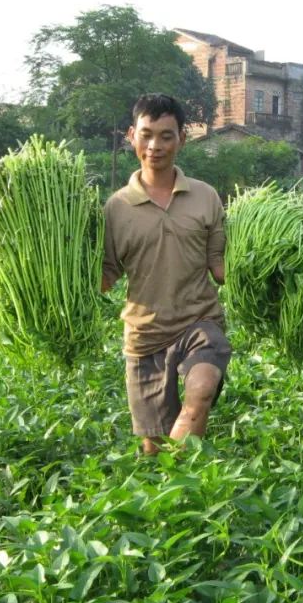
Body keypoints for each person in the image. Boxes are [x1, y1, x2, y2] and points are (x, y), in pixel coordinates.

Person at [101, 94, 230, 456]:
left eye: (166, 136)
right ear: (131, 136)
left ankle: (177, 484)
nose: (155, 146)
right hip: (145, 336)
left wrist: (298, 253)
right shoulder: (116, 208)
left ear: (182, 139)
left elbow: (221, 269)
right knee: (153, 448)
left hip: (199, 322)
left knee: (201, 393)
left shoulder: (205, 197)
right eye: (147, 134)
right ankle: (172, 496)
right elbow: (106, 277)